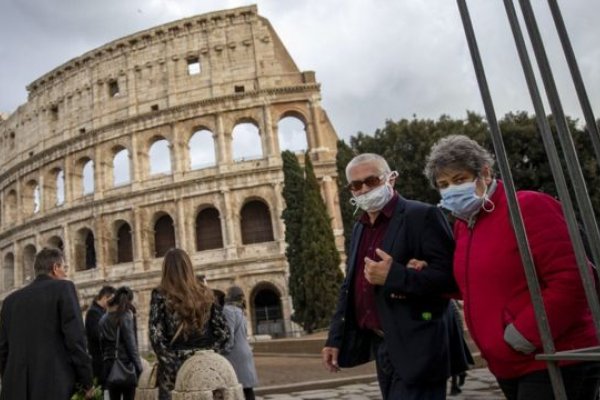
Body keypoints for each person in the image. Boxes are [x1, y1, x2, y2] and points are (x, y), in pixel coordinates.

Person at [423, 134, 600, 400]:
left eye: (459, 180)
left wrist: (525, 334)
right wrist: (422, 273)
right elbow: (476, 284)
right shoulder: (464, 225)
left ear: (484, 172)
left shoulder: (527, 207)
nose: (451, 189)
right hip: (508, 364)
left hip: (554, 356)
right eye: (443, 184)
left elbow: (574, 278)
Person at [321, 153, 459, 400]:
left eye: (371, 181)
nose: (364, 189)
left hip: (420, 344)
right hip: (382, 344)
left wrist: (396, 275)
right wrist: (335, 338)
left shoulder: (422, 215)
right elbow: (349, 287)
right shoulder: (360, 227)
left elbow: (452, 279)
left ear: (390, 179)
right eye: (356, 185)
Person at [0, 247, 95, 399]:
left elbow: (3, 350)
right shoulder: (63, 288)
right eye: (64, 268)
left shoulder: (10, 302)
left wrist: (8, 381)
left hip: (14, 387)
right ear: (55, 268)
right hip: (52, 385)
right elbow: (75, 339)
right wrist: (87, 381)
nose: (65, 273)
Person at [149, 248, 230, 400]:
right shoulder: (206, 293)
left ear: (166, 269)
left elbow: (156, 337)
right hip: (207, 372)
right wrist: (209, 356)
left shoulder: (160, 294)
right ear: (189, 267)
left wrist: (175, 365)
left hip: (174, 377)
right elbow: (224, 334)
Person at [99, 286, 143, 400]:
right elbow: (131, 345)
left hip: (110, 367)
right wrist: (139, 368)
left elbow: (102, 346)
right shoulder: (125, 316)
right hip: (125, 366)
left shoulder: (103, 319)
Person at [222, 286, 259, 400]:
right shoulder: (240, 311)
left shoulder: (228, 310)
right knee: (247, 389)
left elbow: (230, 335)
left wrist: (223, 351)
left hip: (235, 354)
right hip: (245, 351)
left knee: (233, 389)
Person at [86, 285, 116, 386]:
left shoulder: (101, 311)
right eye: (111, 300)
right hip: (99, 361)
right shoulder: (93, 313)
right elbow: (97, 335)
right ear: (104, 298)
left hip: (105, 360)